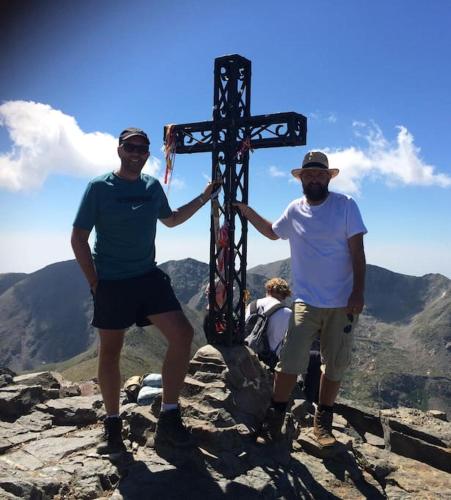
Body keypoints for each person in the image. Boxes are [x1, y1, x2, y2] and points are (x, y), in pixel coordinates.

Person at [71, 127, 218, 454]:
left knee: (182, 334)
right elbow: (78, 237)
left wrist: (205, 196)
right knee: (111, 351)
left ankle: (168, 414)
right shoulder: (98, 187)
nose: (137, 153)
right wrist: (94, 282)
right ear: (120, 149)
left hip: (147, 276)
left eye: (143, 148)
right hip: (111, 280)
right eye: (131, 147)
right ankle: (112, 425)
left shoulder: (151, 186)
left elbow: (172, 219)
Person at [235, 151, 367, 447]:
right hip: (306, 301)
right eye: (309, 174)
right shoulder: (295, 209)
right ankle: (276, 418)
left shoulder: (345, 206)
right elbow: (272, 232)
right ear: (301, 178)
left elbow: (357, 252)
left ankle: (323, 422)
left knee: (335, 364)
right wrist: (246, 210)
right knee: (289, 361)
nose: (315, 178)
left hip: (342, 302)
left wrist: (358, 292)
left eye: (320, 174)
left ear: (328, 177)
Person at [245, 278, 292, 368]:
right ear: (285, 295)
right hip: (268, 362)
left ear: (268, 289)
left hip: (246, 356)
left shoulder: (252, 305)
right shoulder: (287, 313)